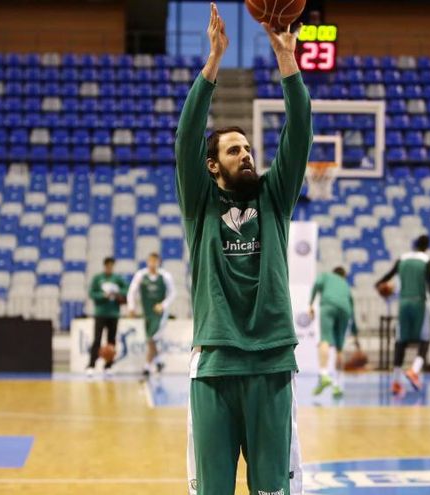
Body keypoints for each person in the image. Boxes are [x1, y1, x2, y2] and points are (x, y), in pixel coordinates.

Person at [176, 4, 312, 495]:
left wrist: (287, 61)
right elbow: (186, 138)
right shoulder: (201, 203)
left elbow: (299, 130)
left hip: (272, 362)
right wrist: (213, 62)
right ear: (213, 166)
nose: (247, 154)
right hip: (215, 363)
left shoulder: (275, 197)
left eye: (249, 148)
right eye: (234, 150)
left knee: (272, 489)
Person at [375, 234, 430, 395]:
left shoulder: (402, 259)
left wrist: (381, 287)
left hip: (403, 303)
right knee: (425, 340)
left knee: (401, 342)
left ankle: (396, 382)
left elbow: (384, 279)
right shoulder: (427, 261)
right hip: (419, 302)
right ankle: (414, 370)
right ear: (427, 247)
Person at [308, 266, 360, 399]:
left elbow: (316, 285)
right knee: (339, 348)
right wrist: (354, 330)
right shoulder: (346, 285)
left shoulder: (326, 276)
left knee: (325, 340)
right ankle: (337, 384)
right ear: (344, 276)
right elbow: (352, 307)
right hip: (345, 310)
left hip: (329, 305)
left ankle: (324, 374)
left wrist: (310, 304)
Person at [127, 252, 176, 378]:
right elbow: (132, 291)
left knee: (151, 338)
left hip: (160, 314)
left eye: (155, 261)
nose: (152, 263)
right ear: (147, 261)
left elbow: (173, 293)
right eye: (150, 261)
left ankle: (147, 366)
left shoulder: (165, 276)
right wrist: (131, 307)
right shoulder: (141, 275)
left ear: (159, 262)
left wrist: (163, 305)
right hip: (147, 312)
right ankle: (159, 361)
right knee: (150, 338)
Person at [86, 256, 128, 377]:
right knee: (97, 339)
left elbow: (126, 290)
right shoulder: (98, 278)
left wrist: (117, 294)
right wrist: (102, 295)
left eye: (111, 266)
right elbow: (92, 293)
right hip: (100, 313)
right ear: (105, 266)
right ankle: (91, 365)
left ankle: (109, 365)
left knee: (112, 340)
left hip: (114, 313)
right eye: (108, 265)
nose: (109, 268)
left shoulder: (117, 279)